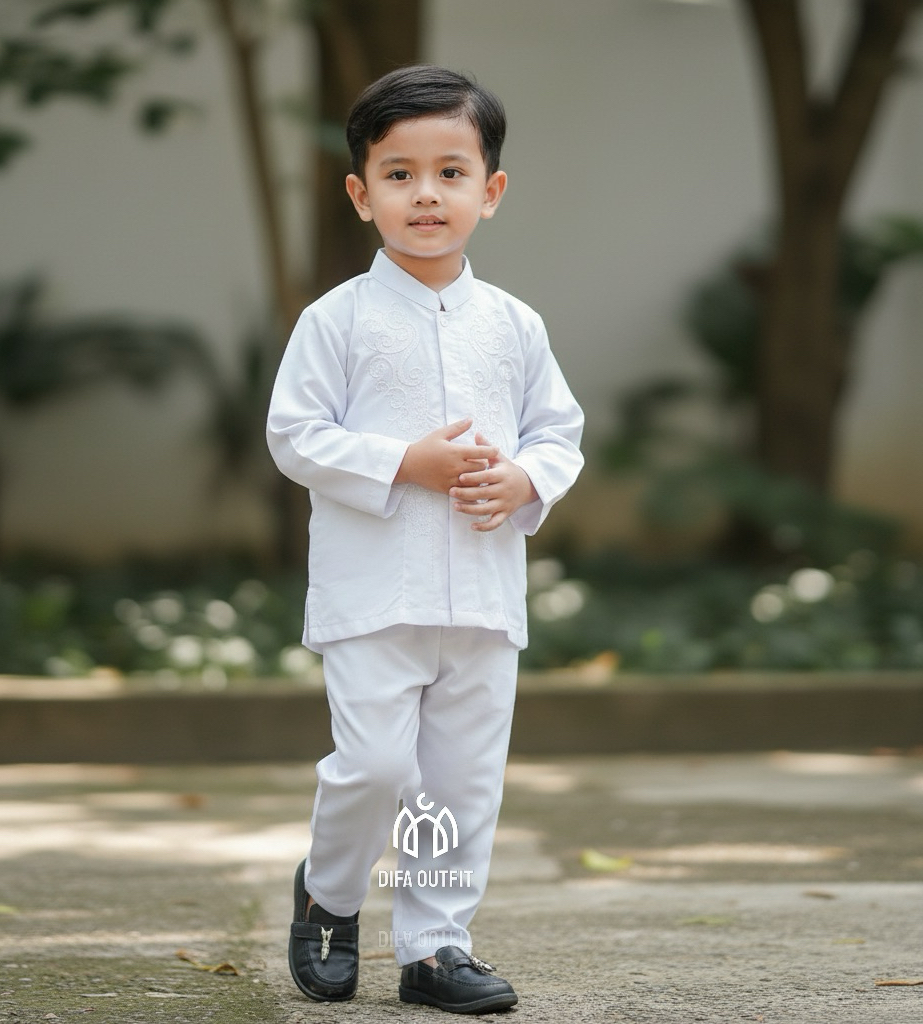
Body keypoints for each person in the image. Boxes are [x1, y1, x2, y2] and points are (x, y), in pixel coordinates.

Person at [266, 64, 584, 1014]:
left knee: (455, 783)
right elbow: (295, 435)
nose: (426, 195)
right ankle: (329, 894)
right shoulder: (336, 319)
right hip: (374, 593)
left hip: (482, 593)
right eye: (399, 174)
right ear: (361, 194)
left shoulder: (515, 325)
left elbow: (558, 432)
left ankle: (435, 946)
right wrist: (405, 462)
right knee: (373, 767)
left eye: (451, 172)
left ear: (491, 190)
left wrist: (527, 479)